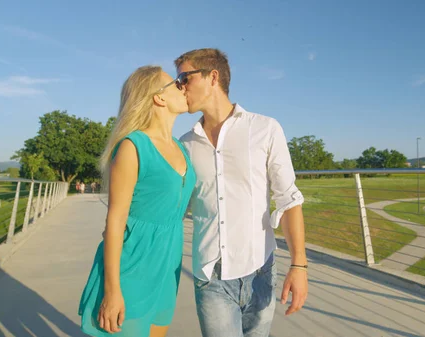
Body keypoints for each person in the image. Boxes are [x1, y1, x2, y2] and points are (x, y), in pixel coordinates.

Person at [176, 48, 309, 337]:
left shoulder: (265, 128)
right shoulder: (184, 145)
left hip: (260, 269)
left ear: (213, 77)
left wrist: (299, 265)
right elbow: (170, 206)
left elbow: (288, 199)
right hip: (211, 275)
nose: (180, 87)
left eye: (184, 78)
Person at [78, 65, 196, 337]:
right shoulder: (133, 146)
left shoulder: (180, 147)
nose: (184, 86)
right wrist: (112, 291)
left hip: (169, 262)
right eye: (177, 83)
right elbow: (116, 220)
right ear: (159, 97)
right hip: (133, 264)